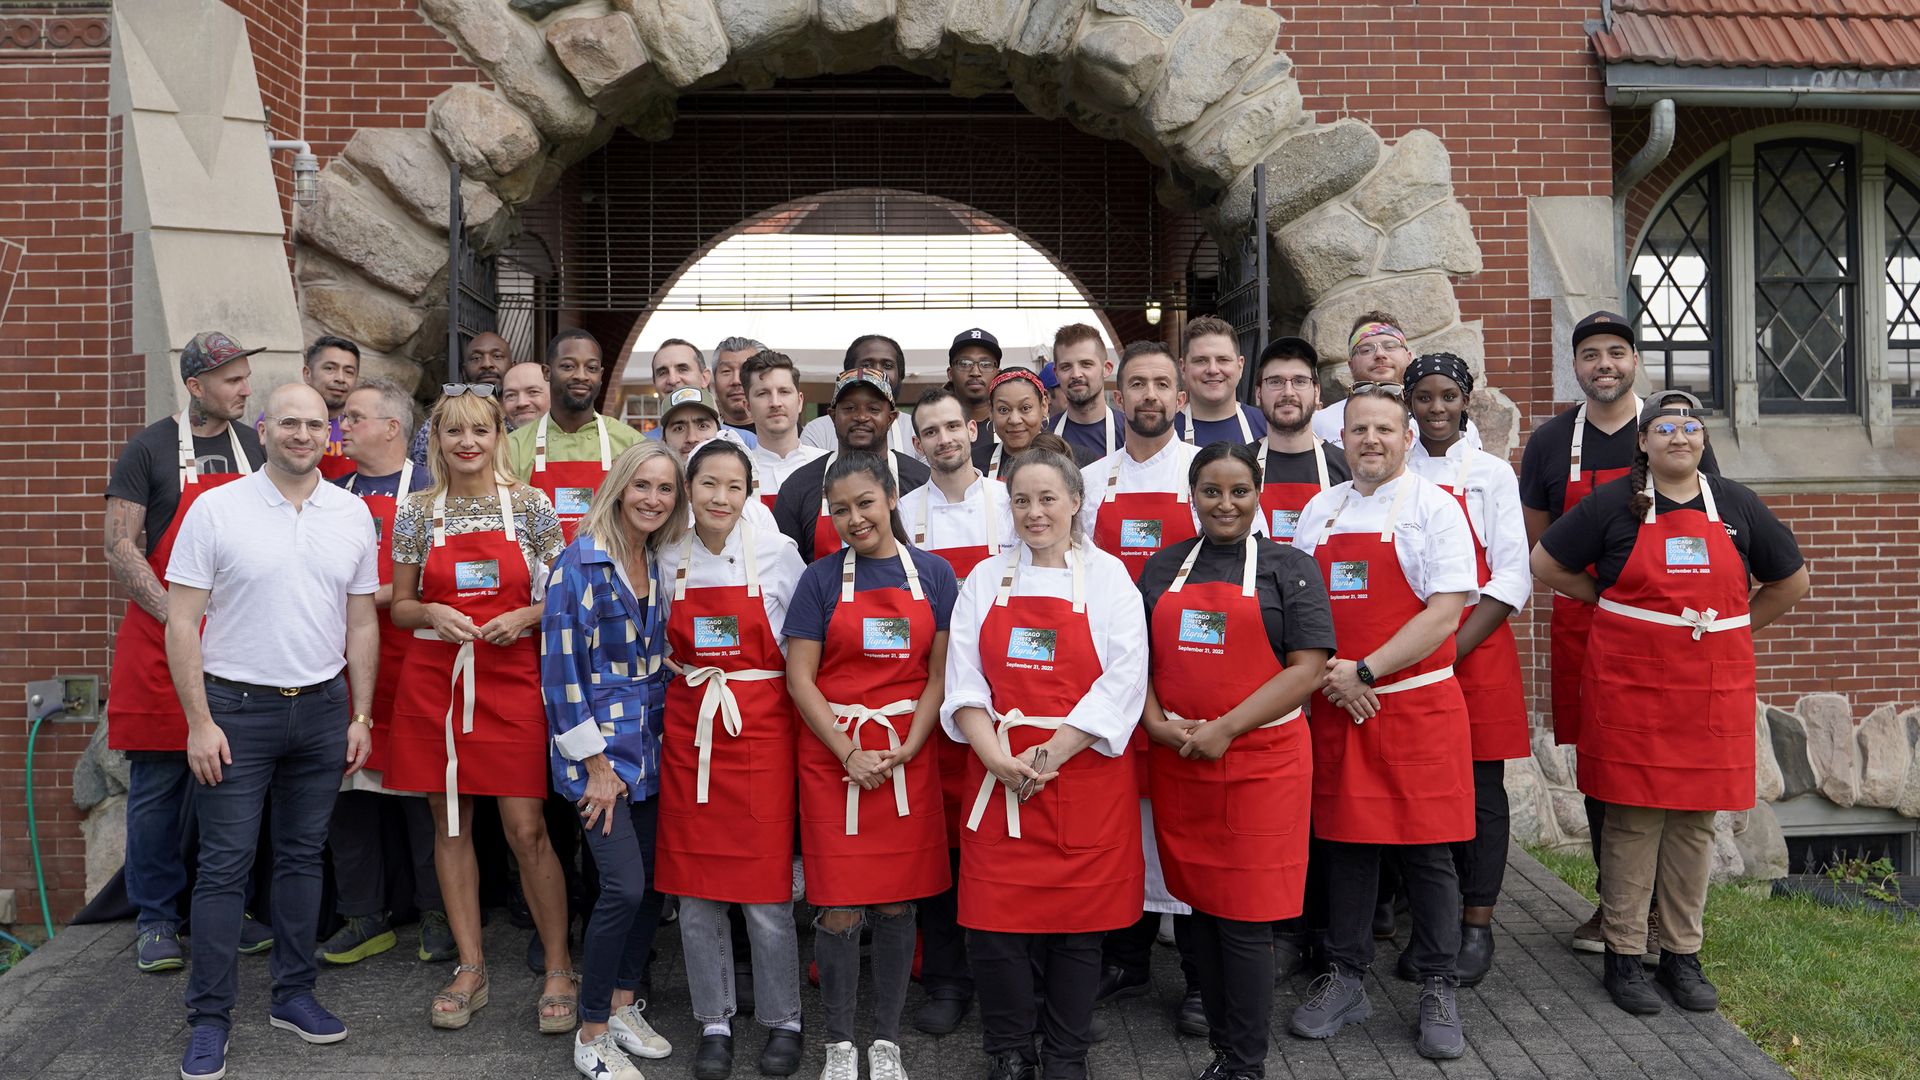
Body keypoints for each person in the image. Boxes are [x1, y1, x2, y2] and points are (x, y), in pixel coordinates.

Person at [1532, 391, 1806, 1017]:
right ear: (1644, 440)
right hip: (1631, 689)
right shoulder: (1610, 505)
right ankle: (1626, 957)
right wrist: (1610, 604)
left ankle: (1682, 956)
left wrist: (1733, 625)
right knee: (1631, 823)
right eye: (1665, 426)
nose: (1679, 436)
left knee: (1691, 824)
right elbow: (1545, 562)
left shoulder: (1736, 504)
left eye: (1690, 426)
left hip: (1710, 690)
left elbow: (1791, 581)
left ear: (1702, 440)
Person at [165, 383, 379, 1080]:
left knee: (300, 858)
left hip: (320, 710)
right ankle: (209, 1019)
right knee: (224, 868)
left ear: (331, 435)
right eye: (289, 422)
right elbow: (180, 622)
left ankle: (293, 994)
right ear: (264, 429)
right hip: (235, 710)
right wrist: (199, 722)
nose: (302, 434)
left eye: (316, 424)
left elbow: (361, 622)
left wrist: (360, 713)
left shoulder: (349, 513)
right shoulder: (217, 509)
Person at [1518, 311, 1721, 954]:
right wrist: (1601, 593)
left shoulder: (1673, 431)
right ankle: (1617, 910)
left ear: (1635, 361)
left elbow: (1706, 525)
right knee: (1601, 768)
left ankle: (1666, 915)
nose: (1603, 364)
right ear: (1574, 366)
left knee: (1671, 768)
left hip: (1670, 633)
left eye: (1616, 352)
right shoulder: (1551, 442)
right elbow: (1540, 542)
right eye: (1589, 355)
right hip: (1586, 628)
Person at [942, 447, 1148, 1080]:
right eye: (1022, 501)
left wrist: (1051, 752)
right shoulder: (983, 579)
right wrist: (998, 758)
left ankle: (1066, 1053)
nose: (1035, 513)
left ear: (1076, 502)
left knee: (1079, 931)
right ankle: (1008, 1049)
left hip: (1082, 771)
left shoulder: (1112, 578)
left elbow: (1123, 680)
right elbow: (964, 681)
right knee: (995, 928)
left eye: (1048, 499)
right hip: (999, 770)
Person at [1285, 382, 1476, 1060]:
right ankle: (1347, 976)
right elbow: (1303, 610)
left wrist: (1365, 671)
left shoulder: (1438, 510)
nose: (1370, 440)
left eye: (1384, 430)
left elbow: (1444, 612)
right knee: (1347, 847)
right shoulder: (1319, 510)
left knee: (1427, 852)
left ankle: (1438, 983)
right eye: (1359, 429)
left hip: (1416, 705)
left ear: (1408, 438)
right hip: (1340, 706)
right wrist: (1336, 676)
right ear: (1341, 439)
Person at [384, 387, 578, 1034]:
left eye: (479, 431)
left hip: (511, 676)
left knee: (527, 829)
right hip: (436, 680)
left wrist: (525, 614)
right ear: (436, 440)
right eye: (453, 432)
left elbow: (565, 596)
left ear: (500, 437)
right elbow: (402, 604)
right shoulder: (415, 513)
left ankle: (558, 966)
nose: (467, 442)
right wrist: (429, 612)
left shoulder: (531, 508)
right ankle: (471, 967)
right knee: (451, 826)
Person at [1138, 441, 1334, 1080]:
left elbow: (1306, 670)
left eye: (1239, 492)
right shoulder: (1163, 567)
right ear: (1191, 496)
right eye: (1212, 492)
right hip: (1180, 760)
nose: (1226, 504)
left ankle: (1245, 1062)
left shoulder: (1291, 568)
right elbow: (1131, 660)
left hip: (1262, 763)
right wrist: (1155, 724)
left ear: (1258, 495)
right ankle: (1222, 1047)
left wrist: (1225, 727)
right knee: (1194, 906)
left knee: (1246, 918)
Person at [785, 452, 959, 1080]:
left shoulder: (936, 576)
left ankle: (884, 1038)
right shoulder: (820, 580)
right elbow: (800, 679)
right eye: (840, 509)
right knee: (838, 905)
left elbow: (941, 673)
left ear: (891, 498)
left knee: (894, 904)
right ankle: (838, 1039)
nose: (854, 518)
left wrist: (910, 744)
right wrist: (847, 751)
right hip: (836, 757)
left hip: (907, 753)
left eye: (865, 503)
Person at [105, 330, 269, 974]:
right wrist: (178, 619)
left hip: (235, 641)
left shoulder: (255, 447)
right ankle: (155, 918)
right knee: (157, 789)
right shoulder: (147, 448)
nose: (244, 389)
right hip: (159, 643)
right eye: (231, 380)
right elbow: (122, 547)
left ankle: (227, 910)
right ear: (196, 386)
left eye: (245, 377)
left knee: (234, 785)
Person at [655, 439, 809, 1080]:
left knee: (767, 894)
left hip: (763, 732)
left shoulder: (778, 555)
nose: (720, 498)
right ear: (689, 490)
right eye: (708, 484)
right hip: (691, 730)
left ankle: (784, 1020)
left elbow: (805, 648)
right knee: (695, 895)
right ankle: (713, 1019)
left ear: (750, 494)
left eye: (733, 487)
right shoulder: (666, 556)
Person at [1077, 341, 1215, 1034]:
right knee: (1119, 818)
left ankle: (1196, 976)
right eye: (1137, 384)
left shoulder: (1204, 474)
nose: (1150, 396)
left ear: (1181, 396)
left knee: (1180, 820)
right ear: (1116, 392)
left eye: (1163, 383)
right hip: (1106, 673)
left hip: (1185, 667)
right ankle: (1125, 958)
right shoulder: (1091, 481)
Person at [542, 441, 685, 1080]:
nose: (653, 498)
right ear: (619, 487)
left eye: (665, 489)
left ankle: (625, 1004)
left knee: (652, 884)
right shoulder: (579, 562)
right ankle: (592, 1029)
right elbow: (560, 676)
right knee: (622, 886)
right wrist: (596, 765)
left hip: (654, 742)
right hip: (600, 753)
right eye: (643, 486)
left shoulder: (652, 556)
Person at [1403, 354, 1531, 987]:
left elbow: (1511, 573)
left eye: (1448, 396)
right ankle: (1432, 923)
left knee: (1481, 793)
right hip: (1407, 651)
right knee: (1418, 788)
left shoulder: (1490, 474)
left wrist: (1450, 651)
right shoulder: (1394, 472)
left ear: (1467, 401)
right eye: (1423, 396)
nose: (1435, 408)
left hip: (1474, 649)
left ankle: (1476, 925)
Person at [897, 388, 1018, 1037]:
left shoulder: (1010, 502)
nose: (944, 439)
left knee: (1001, 851)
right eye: (930, 432)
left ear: (972, 430)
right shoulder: (902, 513)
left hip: (1011, 704)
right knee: (940, 851)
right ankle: (946, 978)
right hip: (935, 705)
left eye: (952, 426)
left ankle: (1008, 974)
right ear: (916, 445)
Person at [321, 378, 452, 968]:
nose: (339, 427)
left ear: (393, 428)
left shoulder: (431, 492)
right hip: (342, 666)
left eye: (353, 417)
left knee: (421, 795)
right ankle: (362, 914)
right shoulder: (330, 491)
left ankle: (437, 911)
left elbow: (451, 578)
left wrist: (366, 595)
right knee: (347, 796)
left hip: (416, 664)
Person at [775, 368, 932, 563]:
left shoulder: (923, 479)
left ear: (891, 419)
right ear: (832, 416)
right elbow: (786, 569)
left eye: (873, 409)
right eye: (849, 408)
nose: (861, 417)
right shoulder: (798, 487)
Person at [508, 329, 645, 543]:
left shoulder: (631, 443)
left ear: (600, 375)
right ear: (547, 372)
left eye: (590, 368)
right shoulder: (513, 446)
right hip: (540, 573)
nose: (581, 375)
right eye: (568, 366)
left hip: (612, 570)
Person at [1310, 312, 1480, 450]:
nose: (1380, 355)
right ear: (1351, 365)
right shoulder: (1322, 422)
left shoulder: (1452, 424)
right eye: (1366, 349)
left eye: (1390, 346)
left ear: (1408, 357)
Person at [1253, 337, 1348, 545]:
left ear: (1316, 392)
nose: (1288, 392)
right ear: (1259, 394)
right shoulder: (1239, 465)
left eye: (1300, 381)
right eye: (1276, 382)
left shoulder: (1346, 467)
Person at [801, 335, 920, 460]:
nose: (878, 373)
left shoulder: (916, 429)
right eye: (867, 365)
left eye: (888, 365)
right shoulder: (818, 431)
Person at [411, 330, 515, 464]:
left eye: (497, 356)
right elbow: (422, 477)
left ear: (513, 366)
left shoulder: (525, 419)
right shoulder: (437, 424)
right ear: (464, 370)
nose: (487, 364)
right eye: (476, 358)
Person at [743, 350, 828, 509]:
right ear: (747, 407)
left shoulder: (829, 466)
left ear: (800, 401)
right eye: (763, 393)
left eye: (784, 392)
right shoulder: (738, 473)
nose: (775, 402)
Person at [975, 369, 1097, 478]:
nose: (1014, 420)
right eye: (1003, 410)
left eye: (1025, 408)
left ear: (1044, 406)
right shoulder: (974, 465)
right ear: (991, 411)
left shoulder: (1078, 460)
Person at [272, 335, 360, 480]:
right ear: (307, 373)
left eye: (349, 372)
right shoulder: (279, 419)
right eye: (330, 368)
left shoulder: (364, 429)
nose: (340, 378)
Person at [1175, 316, 1266, 445]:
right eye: (1201, 360)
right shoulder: (1166, 434)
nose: (1212, 370)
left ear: (1240, 366)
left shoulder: (1267, 427)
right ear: (1183, 368)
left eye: (1223, 360)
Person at [1049, 323, 1124, 460]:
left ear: (1106, 368)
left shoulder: (1130, 433)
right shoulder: (1046, 437)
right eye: (1066, 367)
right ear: (1056, 374)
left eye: (1086, 364)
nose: (1076, 374)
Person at [714, 336, 767, 431]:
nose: (736, 381)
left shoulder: (794, 436)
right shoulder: (705, 439)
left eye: (746, 370)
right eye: (726, 371)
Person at [948, 328, 1000, 424]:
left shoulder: (1011, 426)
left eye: (985, 364)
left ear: (998, 374)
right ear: (950, 374)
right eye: (964, 363)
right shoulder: (934, 425)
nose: (975, 373)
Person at [502, 360, 552, 428]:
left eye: (533, 392)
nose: (521, 403)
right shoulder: (492, 437)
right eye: (511, 395)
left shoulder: (570, 435)